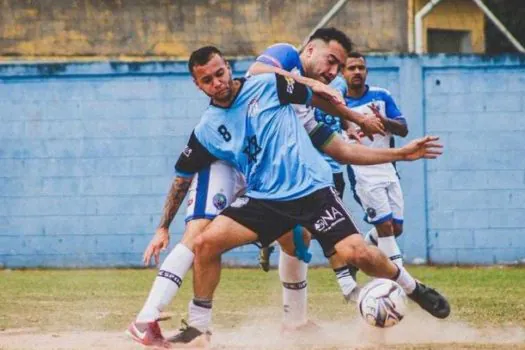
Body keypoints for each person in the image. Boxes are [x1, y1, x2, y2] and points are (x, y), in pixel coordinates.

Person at [137, 45, 449, 347]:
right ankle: (197, 329)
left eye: (220, 73)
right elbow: (182, 177)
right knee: (204, 243)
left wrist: (360, 121)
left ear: (228, 67)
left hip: (311, 190)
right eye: (207, 80)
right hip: (263, 199)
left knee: (359, 254)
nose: (217, 82)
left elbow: (318, 100)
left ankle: (412, 288)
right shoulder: (207, 128)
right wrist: (163, 226)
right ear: (197, 84)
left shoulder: (268, 85)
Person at [343, 52, 408, 267]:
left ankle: (356, 257)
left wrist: (384, 121)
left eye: (361, 68)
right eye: (351, 68)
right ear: (343, 73)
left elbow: (403, 129)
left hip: (388, 169)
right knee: (385, 227)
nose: (357, 72)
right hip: (363, 173)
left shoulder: (382, 96)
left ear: (366, 72)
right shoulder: (338, 104)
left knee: (396, 228)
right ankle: (401, 279)